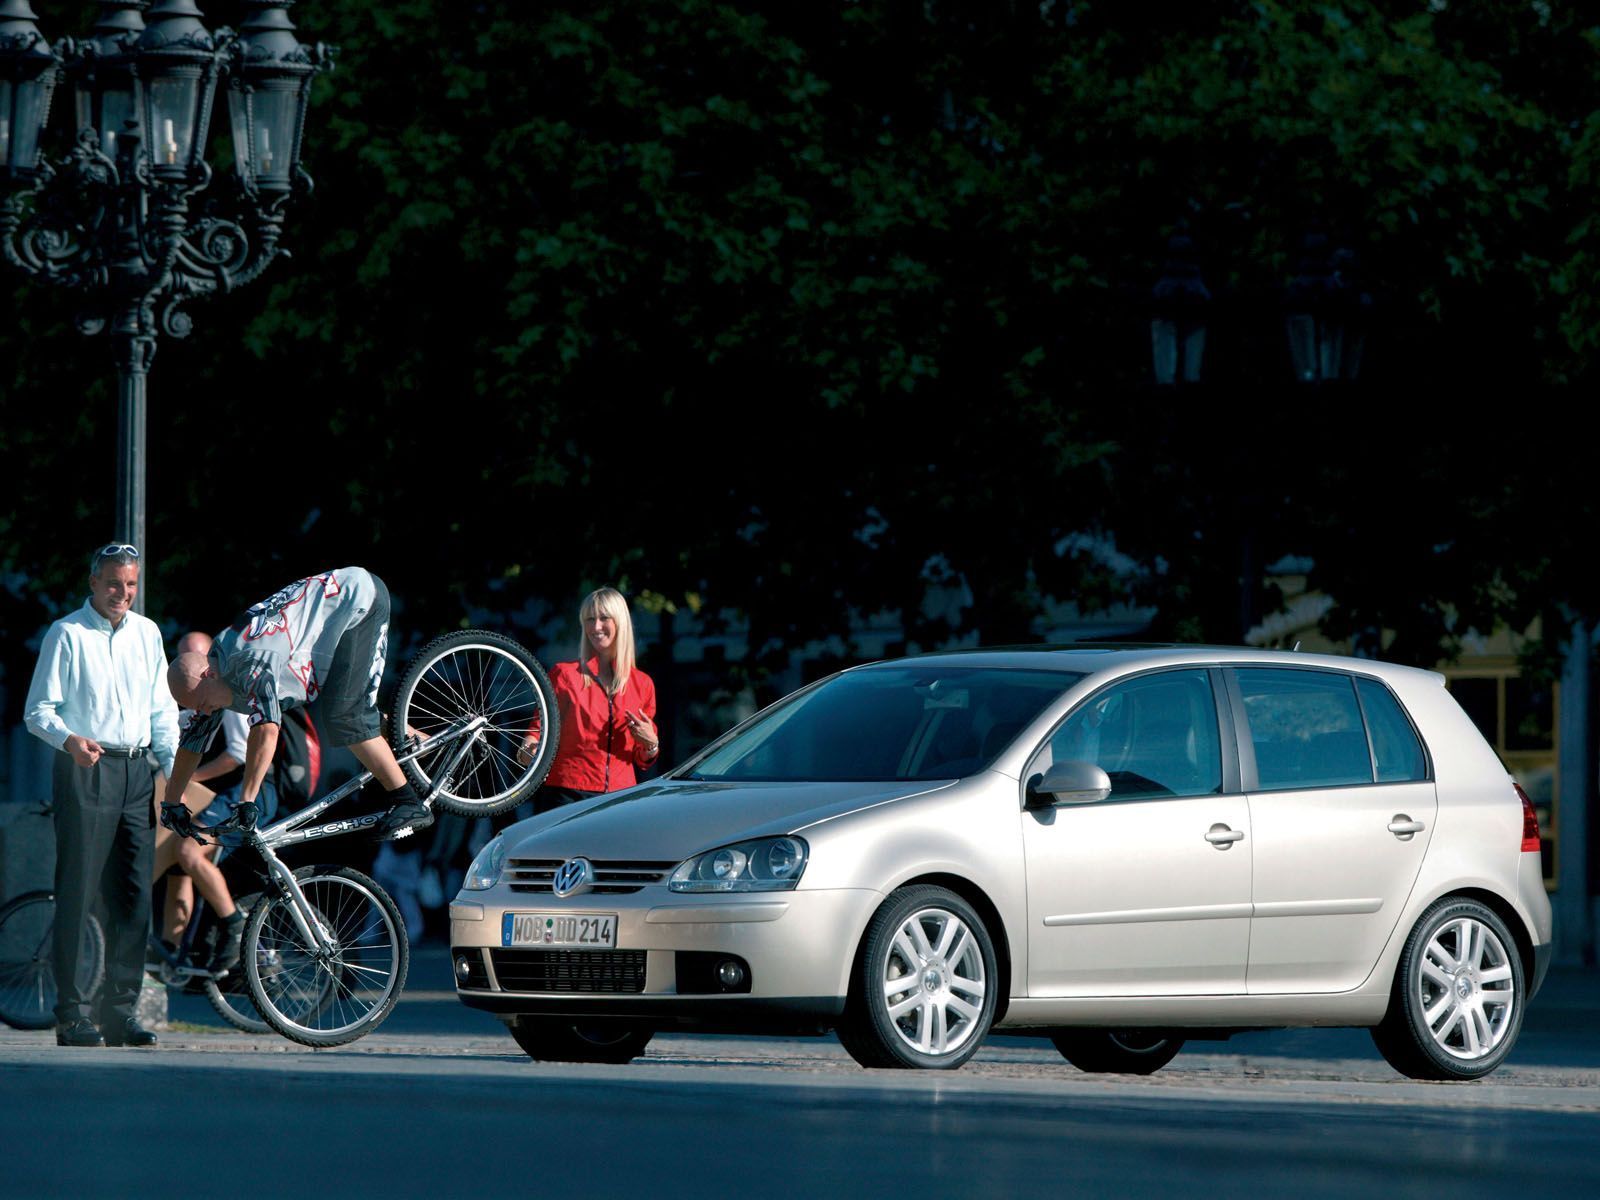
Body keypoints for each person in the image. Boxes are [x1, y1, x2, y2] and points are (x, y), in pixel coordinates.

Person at [23, 543, 180, 1048]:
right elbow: (38, 709)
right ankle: (71, 1015)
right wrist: (68, 739)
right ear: (93, 583)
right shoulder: (66, 633)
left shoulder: (149, 633)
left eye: (131, 584)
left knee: (134, 896)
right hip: (84, 767)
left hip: (137, 774)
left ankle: (120, 1012)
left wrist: (172, 775)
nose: (123, 593)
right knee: (80, 891)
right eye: (114, 583)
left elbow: (162, 712)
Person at [163, 567, 429, 854]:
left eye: (201, 704)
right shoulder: (213, 673)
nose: (204, 711)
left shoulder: (249, 661)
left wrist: (247, 800)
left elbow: (265, 729)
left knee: (345, 717)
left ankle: (408, 802)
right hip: (325, 629)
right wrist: (172, 802)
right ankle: (415, 738)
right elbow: (193, 742)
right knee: (342, 711)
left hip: (356, 600)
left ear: (208, 675)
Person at [512, 587, 661, 819]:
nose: (596, 627)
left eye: (604, 618)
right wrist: (527, 751)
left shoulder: (642, 684)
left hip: (621, 799)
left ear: (620, 622)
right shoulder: (563, 675)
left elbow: (642, 759)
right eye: (589, 619)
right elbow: (535, 731)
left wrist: (651, 744)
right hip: (566, 794)